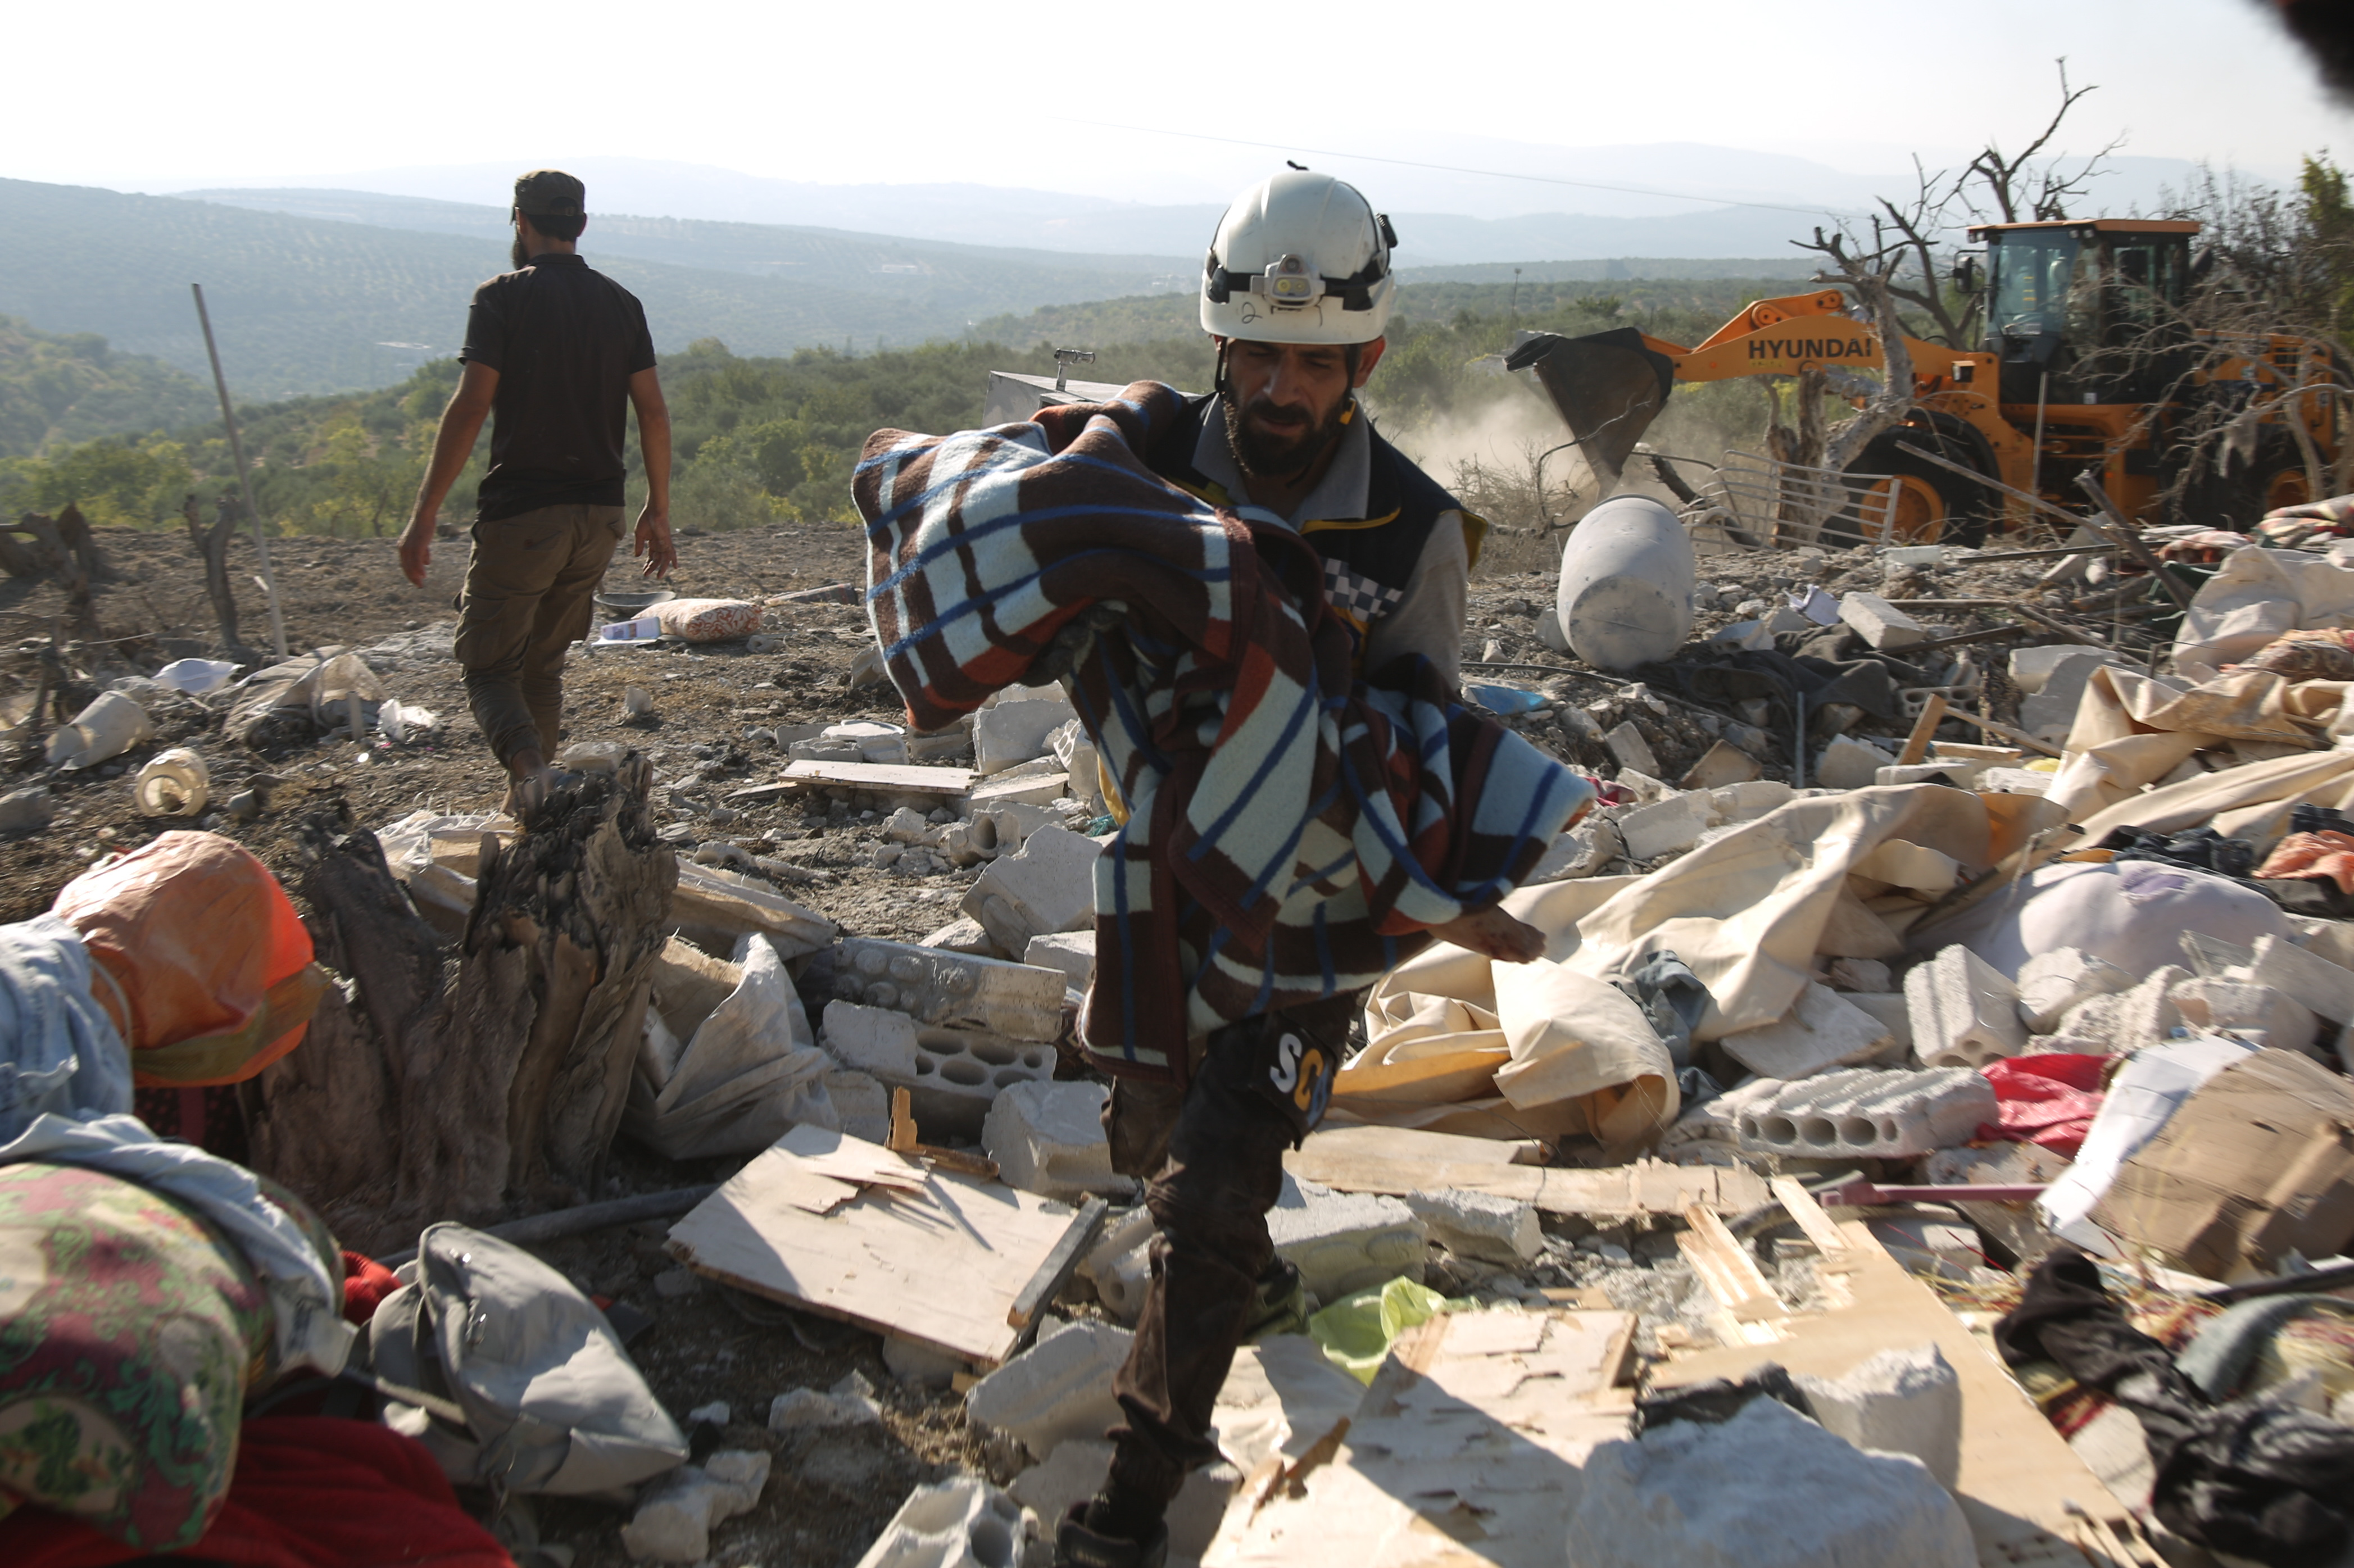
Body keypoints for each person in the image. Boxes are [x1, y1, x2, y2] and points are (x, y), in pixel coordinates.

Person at [1056, 170, 1535, 1568]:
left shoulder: (1411, 527)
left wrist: (1453, 885)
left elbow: (1429, 735)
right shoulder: (1137, 462)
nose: (1279, 385)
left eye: (1312, 362)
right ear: (1221, 345)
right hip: (1150, 875)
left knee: (1215, 1178)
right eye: (1256, 353)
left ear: (1364, 362)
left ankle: (1135, 1496)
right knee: (1151, 1139)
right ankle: (1230, 1273)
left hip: (1314, 905)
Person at [396, 169, 677, 811]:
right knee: (542, 667)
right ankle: (534, 805)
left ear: (519, 221)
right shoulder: (620, 303)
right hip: (600, 514)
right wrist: (657, 510)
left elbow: (470, 408)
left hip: (524, 514)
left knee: (490, 668)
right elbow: (654, 413)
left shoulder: (500, 297)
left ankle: (531, 777)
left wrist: (423, 514)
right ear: (579, 224)